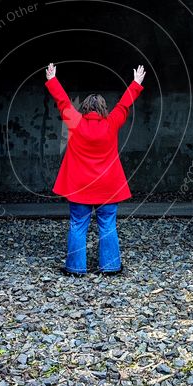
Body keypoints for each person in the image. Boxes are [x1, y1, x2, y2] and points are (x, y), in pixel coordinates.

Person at [44, 62, 146, 277]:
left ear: (84, 109)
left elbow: (62, 102)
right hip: (108, 187)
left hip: (80, 186)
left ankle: (75, 268)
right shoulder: (112, 122)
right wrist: (136, 83)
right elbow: (124, 105)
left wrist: (52, 79)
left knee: (78, 224)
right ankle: (110, 267)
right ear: (103, 109)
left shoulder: (75, 122)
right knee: (108, 225)